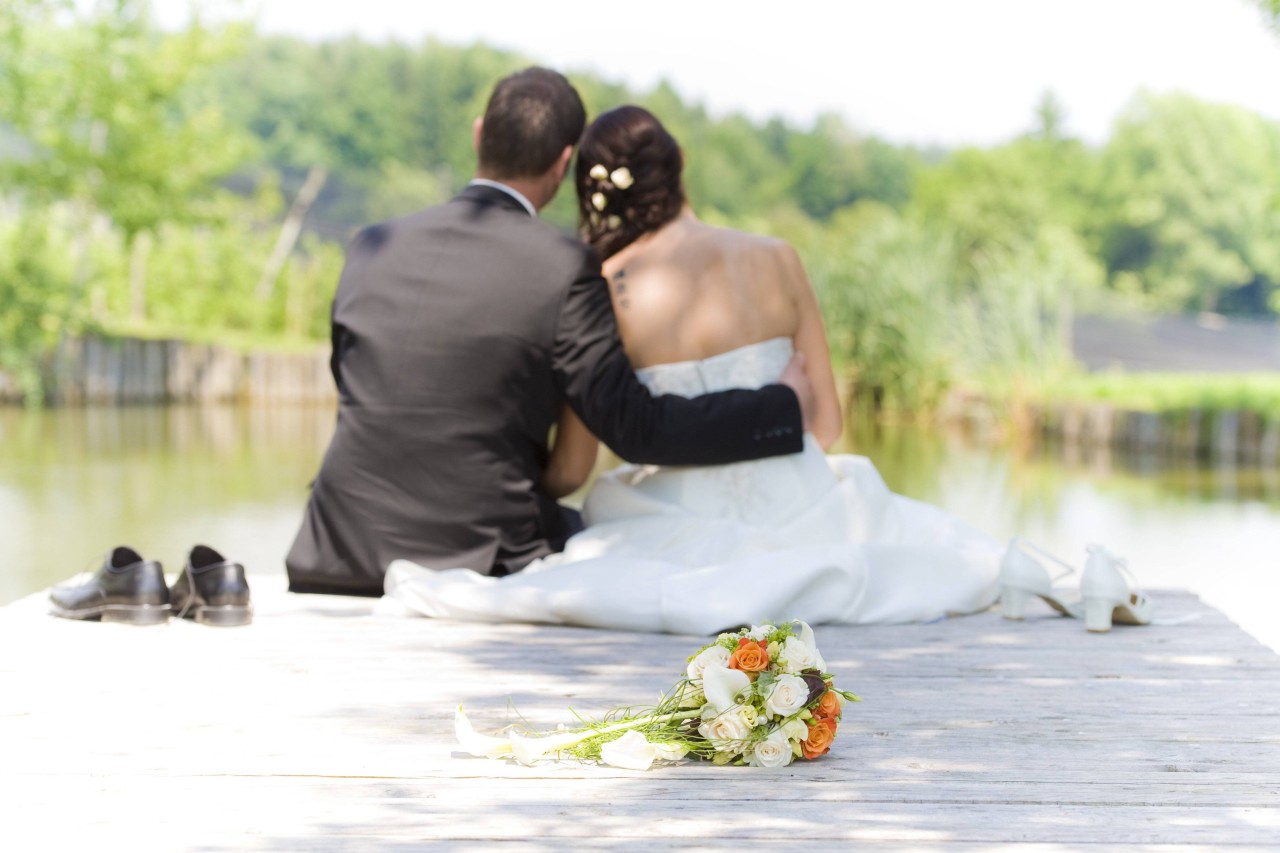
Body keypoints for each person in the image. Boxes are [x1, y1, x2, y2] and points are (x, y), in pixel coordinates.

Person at [384, 106, 1004, 633]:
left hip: (668, 517)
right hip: (803, 503)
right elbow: (826, 425)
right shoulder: (778, 258)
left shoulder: (605, 285)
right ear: (677, 160)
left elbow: (574, 469)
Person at [285, 71, 813, 597]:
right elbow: (635, 427)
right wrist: (780, 404)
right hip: (479, 553)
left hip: (337, 547)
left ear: (477, 134)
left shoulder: (370, 245)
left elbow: (354, 384)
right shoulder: (563, 267)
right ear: (564, 163)